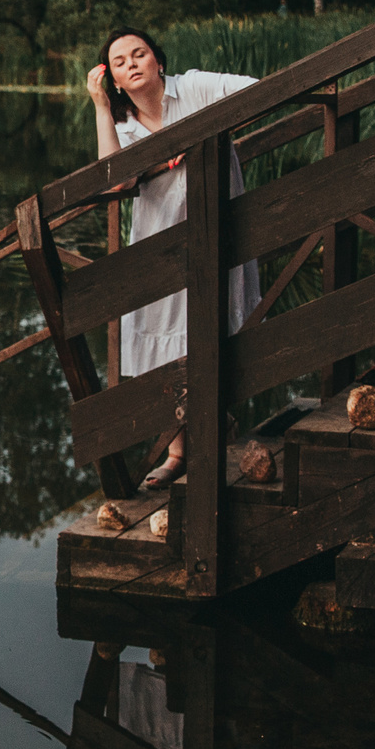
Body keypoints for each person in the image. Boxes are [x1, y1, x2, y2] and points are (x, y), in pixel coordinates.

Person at [84, 27, 263, 490]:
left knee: (211, 328)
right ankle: (187, 446)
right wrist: (101, 107)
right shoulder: (124, 125)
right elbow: (114, 182)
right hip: (161, 244)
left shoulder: (196, 87)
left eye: (139, 54)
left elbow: (257, 93)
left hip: (218, 234)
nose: (131, 64)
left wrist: (206, 132)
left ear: (158, 61)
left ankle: (198, 439)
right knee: (167, 341)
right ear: (116, 82)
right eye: (119, 62)